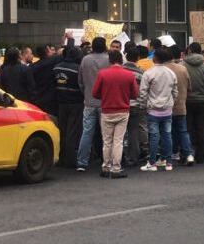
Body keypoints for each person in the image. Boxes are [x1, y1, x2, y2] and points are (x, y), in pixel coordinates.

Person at [91, 50, 139, 179]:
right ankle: (116, 168)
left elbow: (95, 93)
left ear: (110, 60)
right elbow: (135, 94)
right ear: (121, 60)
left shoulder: (102, 74)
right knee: (118, 141)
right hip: (123, 111)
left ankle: (105, 167)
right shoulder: (129, 75)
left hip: (107, 110)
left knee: (107, 141)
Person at [74, 37, 111, 173]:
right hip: (105, 102)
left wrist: (86, 93)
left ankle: (82, 162)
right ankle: (106, 160)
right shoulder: (109, 60)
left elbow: (80, 81)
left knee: (87, 132)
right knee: (106, 133)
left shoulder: (85, 60)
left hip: (89, 101)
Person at [141, 49, 178, 172]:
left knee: (154, 136)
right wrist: (171, 102)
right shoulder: (171, 73)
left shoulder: (148, 73)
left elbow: (143, 93)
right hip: (167, 109)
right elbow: (175, 92)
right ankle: (168, 162)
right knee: (167, 135)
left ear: (155, 58)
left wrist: (144, 105)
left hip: (153, 110)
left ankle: (152, 163)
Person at [52, 44, 85, 168]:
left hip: (61, 103)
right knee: (73, 132)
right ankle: (70, 160)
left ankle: (61, 157)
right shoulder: (78, 69)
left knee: (62, 130)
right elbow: (81, 86)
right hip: (76, 103)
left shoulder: (56, 68)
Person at [184, 43, 204, 166]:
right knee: (201, 129)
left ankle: (187, 154)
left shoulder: (182, 66)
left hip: (186, 101)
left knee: (187, 129)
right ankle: (200, 156)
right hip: (202, 101)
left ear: (190, 50)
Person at [166, 46, 193, 165]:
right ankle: (188, 154)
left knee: (168, 131)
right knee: (183, 131)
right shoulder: (183, 69)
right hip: (181, 104)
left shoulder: (164, 69)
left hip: (166, 106)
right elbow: (189, 87)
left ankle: (171, 153)